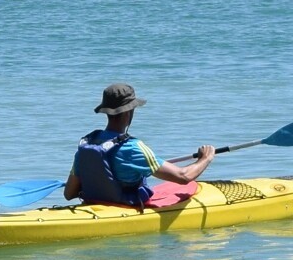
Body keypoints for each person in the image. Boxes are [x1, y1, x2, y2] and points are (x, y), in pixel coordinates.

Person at [63, 83, 216, 207]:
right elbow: (183, 177)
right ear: (129, 112)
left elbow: (69, 194)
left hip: (94, 205)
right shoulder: (134, 148)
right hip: (124, 208)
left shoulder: (87, 145)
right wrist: (205, 158)